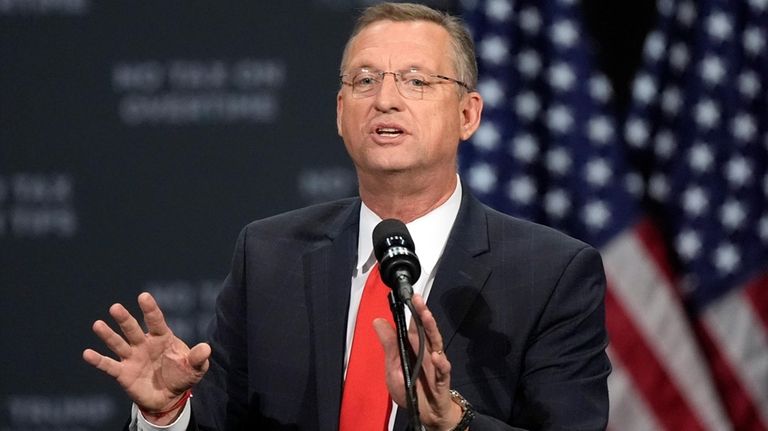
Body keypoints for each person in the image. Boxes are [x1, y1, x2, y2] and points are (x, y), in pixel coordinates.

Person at [83, 3, 611, 430]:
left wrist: (454, 422)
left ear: (468, 115)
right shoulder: (269, 256)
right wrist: (166, 414)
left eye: (416, 81)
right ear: (340, 113)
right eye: (363, 81)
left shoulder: (550, 274)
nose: (385, 99)